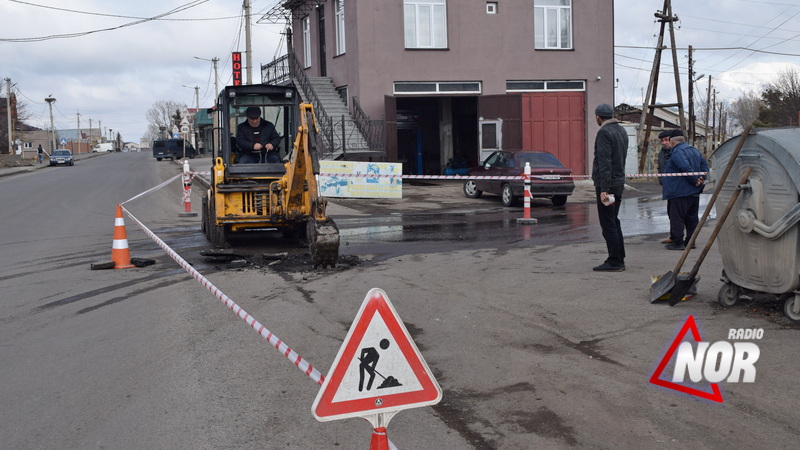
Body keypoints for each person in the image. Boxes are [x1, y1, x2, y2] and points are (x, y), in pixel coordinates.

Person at [591, 103, 629, 272]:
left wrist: (604, 189)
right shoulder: (621, 131)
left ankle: (615, 261)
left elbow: (605, 162)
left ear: (598, 117)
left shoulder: (604, 132)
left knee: (608, 223)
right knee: (614, 220)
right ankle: (619, 256)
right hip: (618, 182)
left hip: (608, 185)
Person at [662, 129, 709, 251]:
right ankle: (690, 241)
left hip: (679, 191)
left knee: (677, 217)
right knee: (691, 217)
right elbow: (704, 165)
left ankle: (678, 242)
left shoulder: (677, 151)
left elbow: (684, 167)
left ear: (672, 141)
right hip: (693, 191)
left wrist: (694, 179)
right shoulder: (693, 150)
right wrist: (701, 178)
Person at [657, 130, 674, 244]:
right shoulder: (661, 153)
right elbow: (660, 168)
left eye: (666, 140)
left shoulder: (677, 151)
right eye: (662, 141)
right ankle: (674, 236)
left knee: (680, 214)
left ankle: (687, 238)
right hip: (668, 187)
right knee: (671, 213)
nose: (664, 143)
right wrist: (661, 180)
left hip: (678, 187)